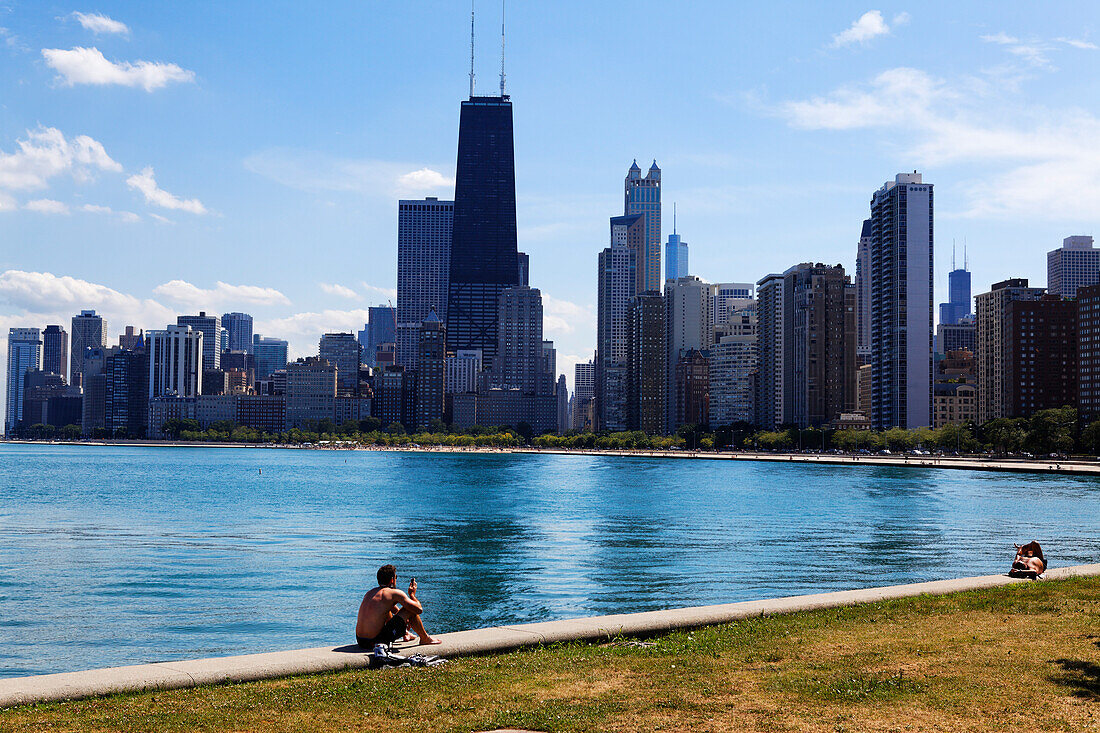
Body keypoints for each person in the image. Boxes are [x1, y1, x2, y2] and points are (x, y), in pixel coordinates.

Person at [356, 564, 441, 647]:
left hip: (361, 641)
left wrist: (404, 620)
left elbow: (389, 608)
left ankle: (406, 634)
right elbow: (418, 609)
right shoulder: (394, 593)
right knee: (410, 609)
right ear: (392, 580)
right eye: (396, 577)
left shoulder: (370, 593)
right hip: (376, 642)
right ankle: (425, 638)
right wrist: (412, 595)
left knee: (386, 610)